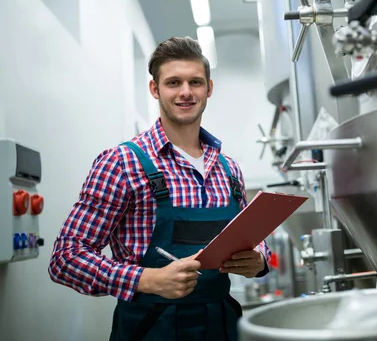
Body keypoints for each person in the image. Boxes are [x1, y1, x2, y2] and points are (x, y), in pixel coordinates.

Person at [48, 36, 270, 341]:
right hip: (151, 327)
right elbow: (66, 258)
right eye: (173, 82)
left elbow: (252, 239)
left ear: (209, 88)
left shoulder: (229, 169)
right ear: (155, 89)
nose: (185, 92)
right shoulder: (122, 162)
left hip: (223, 325)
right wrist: (146, 279)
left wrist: (259, 259)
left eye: (195, 82)